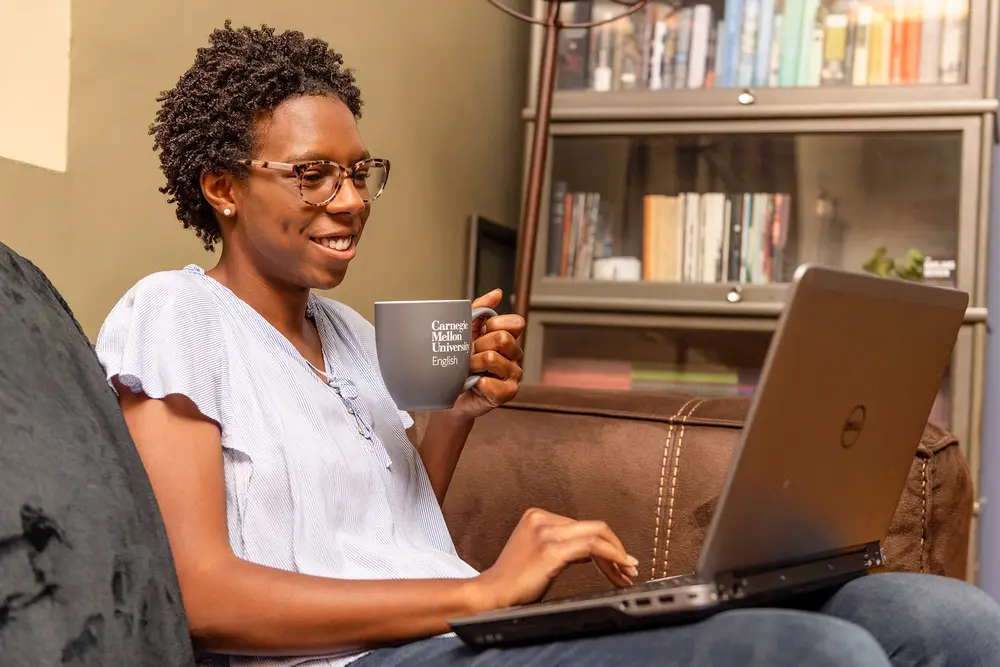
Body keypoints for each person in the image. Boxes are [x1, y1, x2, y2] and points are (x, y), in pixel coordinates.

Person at [92, 21, 1000, 667]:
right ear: (220, 185)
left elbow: (391, 521)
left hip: (452, 629)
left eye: (361, 171)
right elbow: (203, 595)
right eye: (313, 173)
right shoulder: (176, 313)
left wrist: (462, 409)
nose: (352, 197)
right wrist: (484, 592)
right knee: (811, 652)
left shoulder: (354, 335)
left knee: (936, 615)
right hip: (358, 658)